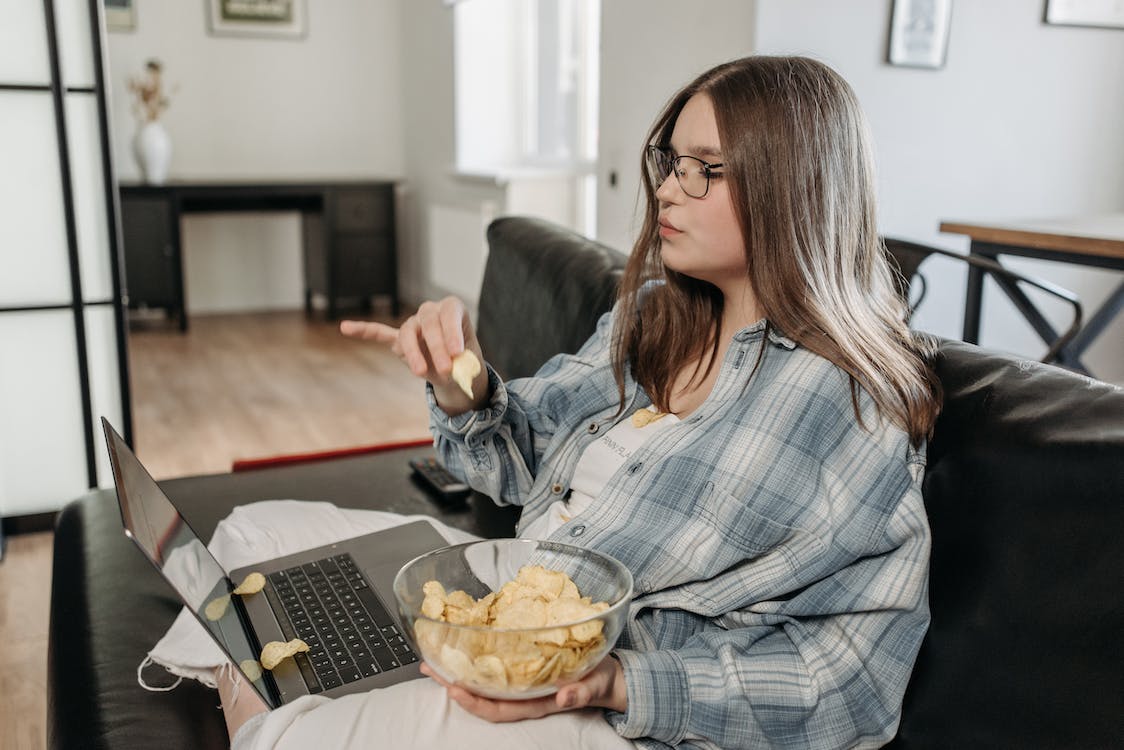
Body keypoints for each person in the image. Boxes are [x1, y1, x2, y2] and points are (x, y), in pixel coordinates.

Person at [212, 55, 941, 749]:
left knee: (298, 724)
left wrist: (622, 683)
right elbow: (521, 454)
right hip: (507, 598)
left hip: (603, 702)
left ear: (797, 188)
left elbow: (855, 682)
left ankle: (299, 716)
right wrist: (459, 387)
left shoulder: (851, 400)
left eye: (706, 171)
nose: (666, 189)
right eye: (672, 162)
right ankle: (311, 704)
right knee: (246, 537)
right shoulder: (653, 314)